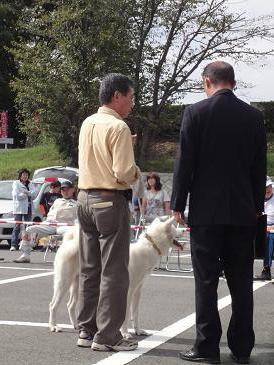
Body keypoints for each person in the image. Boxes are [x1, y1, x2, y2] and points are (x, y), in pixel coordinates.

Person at [171, 61, 266, 364]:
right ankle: (241, 347)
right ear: (234, 83)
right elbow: (258, 167)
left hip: (206, 212)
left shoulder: (195, 113)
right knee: (241, 283)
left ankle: (207, 346)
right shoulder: (253, 117)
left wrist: (178, 203)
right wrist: (256, 206)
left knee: (206, 281)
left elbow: (185, 163)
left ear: (207, 81)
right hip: (242, 211)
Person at [77, 73, 140, 351]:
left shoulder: (88, 121)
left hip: (84, 199)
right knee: (114, 271)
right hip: (108, 200)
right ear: (117, 96)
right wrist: (136, 170)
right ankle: (108, 336)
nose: (133, 103)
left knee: (90, 269)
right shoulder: (119, 127)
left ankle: (86, 331)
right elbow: (123, 172)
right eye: (131, 96)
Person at [13, 181, 77, 263]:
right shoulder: (57, 201)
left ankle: (68, 257)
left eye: (67, 189)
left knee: (71, 232)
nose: (65, 192)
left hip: (64, 226)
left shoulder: (77, 204)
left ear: (73, 190)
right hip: (49, 224)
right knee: (28, 229)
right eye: (63, 190)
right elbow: (50, 212)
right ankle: (25, 255)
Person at [255, 177, 274, 280]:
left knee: (269, 236)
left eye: (270, 186)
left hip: (271, 227)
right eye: (266, 187)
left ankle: (267, 269)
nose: (268, 189)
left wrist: (271, 227)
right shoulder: (258, 199)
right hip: (259, 226)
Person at [10, 168, 34, 251]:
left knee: (28, 227)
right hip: (19, 207)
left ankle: (27, 245)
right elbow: (18, 196)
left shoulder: (30, 183)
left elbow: (34, 194)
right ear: (20, 176)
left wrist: (26, 193)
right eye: (23, 175)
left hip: (29, 207)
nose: (25, 176)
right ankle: (13, 244)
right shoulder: (16, 183)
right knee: (17, 226)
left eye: (26, 175)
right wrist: (27, 194)